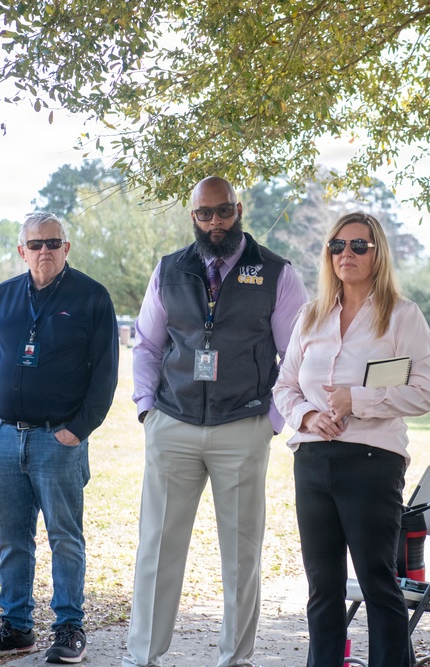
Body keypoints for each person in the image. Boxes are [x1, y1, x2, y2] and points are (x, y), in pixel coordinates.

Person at [125, 176, 308, 667]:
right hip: (173, 424)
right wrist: (147, 409)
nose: (214, 222)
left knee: (241, 555)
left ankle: (235, 659)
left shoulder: (276, 273)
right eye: (204, 214)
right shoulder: (169, 270)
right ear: (193, 217)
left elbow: (296, 357)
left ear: (239, 209)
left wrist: (269, 422)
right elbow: (146, 345)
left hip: (242, 428)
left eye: (223, 211)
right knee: (157, 549)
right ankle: (141, 656)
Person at [273, 212, 430, 667]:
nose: (347, 254)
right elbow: (283, 386)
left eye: (359, 246)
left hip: (371, 462)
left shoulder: (402, 316)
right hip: (311, 462)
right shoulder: (311, 314)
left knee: (377, 584)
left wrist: (355, 400)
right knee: (322, 588)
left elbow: (422, 393)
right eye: (338, 246)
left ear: (377, 252)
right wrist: (307, 415)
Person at [0, 212, 119, 663]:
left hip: (59, 440)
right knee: (13, 539)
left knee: (64, 538)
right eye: (36, 244)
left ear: (66, 248)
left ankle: (69, 626)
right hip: (2, 439)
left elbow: (105, 375)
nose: (45, 251)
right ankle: (16, 628)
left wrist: (77, 432)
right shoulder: (1, 297)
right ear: (22, 251)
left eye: (54, 242)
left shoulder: (91, 296)